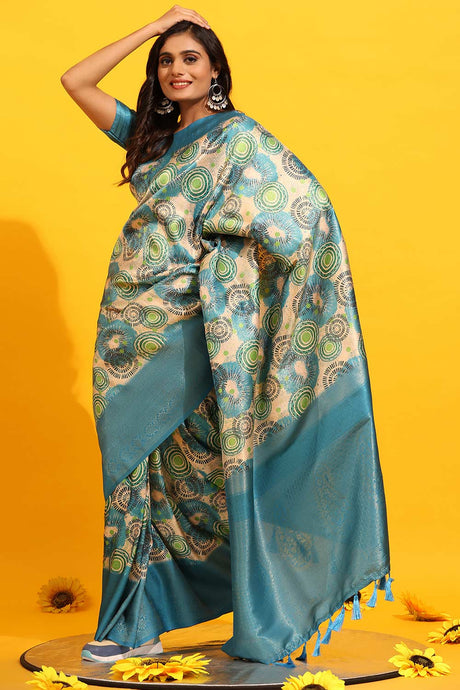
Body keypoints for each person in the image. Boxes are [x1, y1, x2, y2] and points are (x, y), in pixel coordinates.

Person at [61, 5, 391, 666]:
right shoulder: (149, 140)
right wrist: (152, 27)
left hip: (191, 321)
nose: (176, 69)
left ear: (216, 71)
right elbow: (76, 81)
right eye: (166, 61)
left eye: (191, 58)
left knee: (208, 458)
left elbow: (303, 214)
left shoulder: (239, 140)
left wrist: (223, 266)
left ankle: (272, 598)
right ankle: (137, 622)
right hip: (128, 328)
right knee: (137, 472)